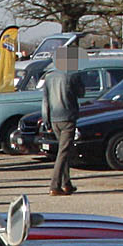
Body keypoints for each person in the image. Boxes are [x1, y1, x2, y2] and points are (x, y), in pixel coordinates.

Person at [44, 47, 82, 196]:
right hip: (68, 116)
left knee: (63, 151)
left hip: (54, 117)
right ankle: (55, 184)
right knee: (63, 152)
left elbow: (45, 101)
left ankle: (67, 183)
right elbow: (81, 92)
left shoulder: (49, 76)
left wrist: (46, 119)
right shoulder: (71, 75)